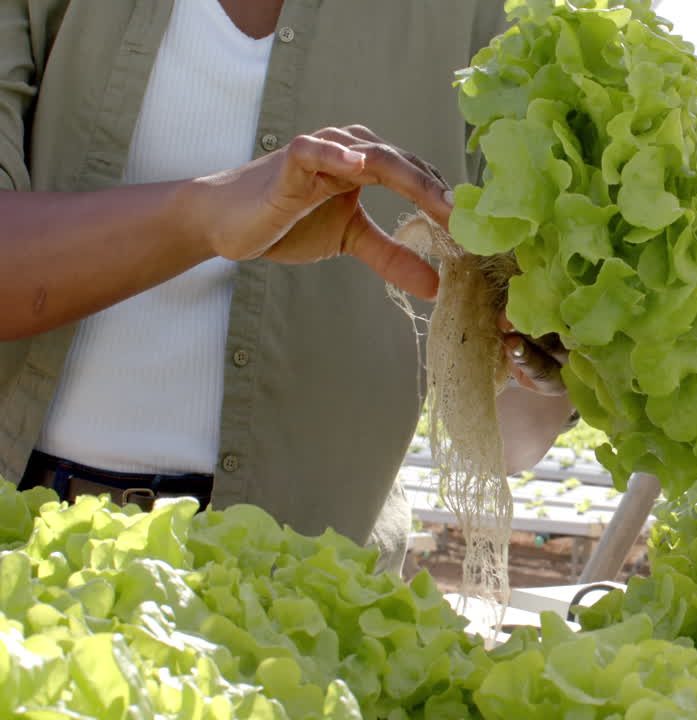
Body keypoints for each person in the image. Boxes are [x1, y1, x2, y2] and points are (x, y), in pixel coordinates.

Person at [0, 0, 575, 569]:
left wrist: (556, 336)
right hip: (22, 554)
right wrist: (206, 216)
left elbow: (515, 438)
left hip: (314, 592)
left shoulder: (495, 14)